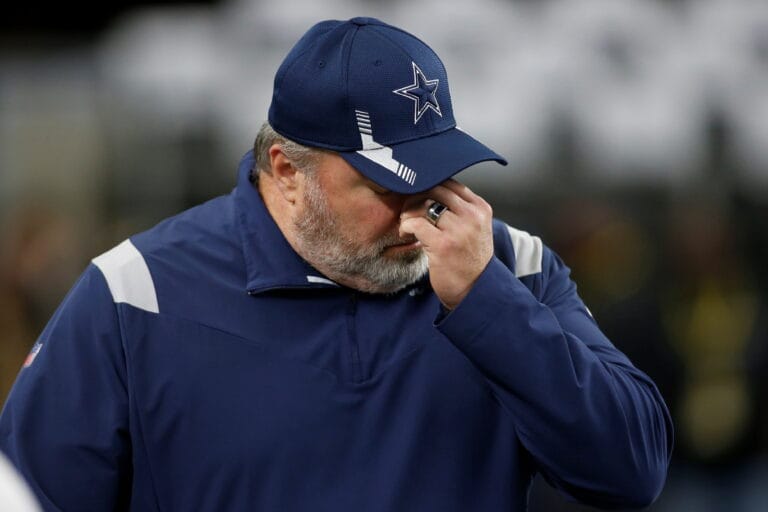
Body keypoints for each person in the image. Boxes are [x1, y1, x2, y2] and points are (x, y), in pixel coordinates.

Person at [0, 17, 672, 511]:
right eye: (390, 188)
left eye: (440, 180)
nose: (424, 216)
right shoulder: (134, 291)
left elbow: (631, 473)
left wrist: (488, 306)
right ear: (287, 171)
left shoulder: (510, 267)